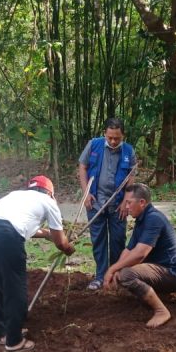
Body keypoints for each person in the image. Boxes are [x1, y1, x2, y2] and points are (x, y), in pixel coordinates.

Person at [0, 175, 75, 352]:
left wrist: (47, 234)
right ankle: (14, 342)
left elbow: (23, 225)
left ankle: (6, 333)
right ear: (51, 193)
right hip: (1, 232)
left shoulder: (18, 195)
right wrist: (68, 248)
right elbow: (61, 242)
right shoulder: (48, 202)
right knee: (14, 286)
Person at [103, 183, 176, 328]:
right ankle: (151, 295)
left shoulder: (154, 219)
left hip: (173, 273)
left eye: (129, 203)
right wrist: (115, 270)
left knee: (127, 275)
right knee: (122, 272)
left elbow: (140, 255)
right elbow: (129, 251)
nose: (126, 207)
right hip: (160, 270)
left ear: (142, 202)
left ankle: (161, 311)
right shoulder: (142, 219)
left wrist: (112, 270)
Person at [78, 118, 136, 291]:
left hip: (118, 205)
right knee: (99, 240)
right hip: (95, 203)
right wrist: (86, 193)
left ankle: (116, 276)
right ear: (105, 133)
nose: (112, 141)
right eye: (109, 137)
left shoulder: (128, 151)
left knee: (118, 240)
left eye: (116, 138)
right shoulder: (93, 145)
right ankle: (100, 276)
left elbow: (131, 175)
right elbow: (82, 166)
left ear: (122, 136)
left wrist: (127, 199)